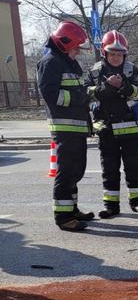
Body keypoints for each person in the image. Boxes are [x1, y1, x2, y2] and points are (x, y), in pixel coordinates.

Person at [37, 21, 94, 232]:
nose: (78, 50)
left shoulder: (66, 61)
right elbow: (51, 95)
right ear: (64, 42)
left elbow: (80, 89)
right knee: (66, 171)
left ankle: (72, 209)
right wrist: (81, 97)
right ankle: (63, 217)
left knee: (76, 171)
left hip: (76, 127)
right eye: (76, 47)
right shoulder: (50, 62)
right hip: (65, 127)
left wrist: (89, 93)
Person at [86, 31, 138, 218]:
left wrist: (124, 87)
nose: (116, 57)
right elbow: (86, 95)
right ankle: (111, 205)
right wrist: (106, 88)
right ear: (105, 53)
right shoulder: (95, 72)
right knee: (109, 169)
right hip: (106, 130)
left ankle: (136, 201)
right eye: (112, 53)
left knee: (133, 167)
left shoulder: (131, 71)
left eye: (119, 54)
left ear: (125, 55)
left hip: (129, 129)